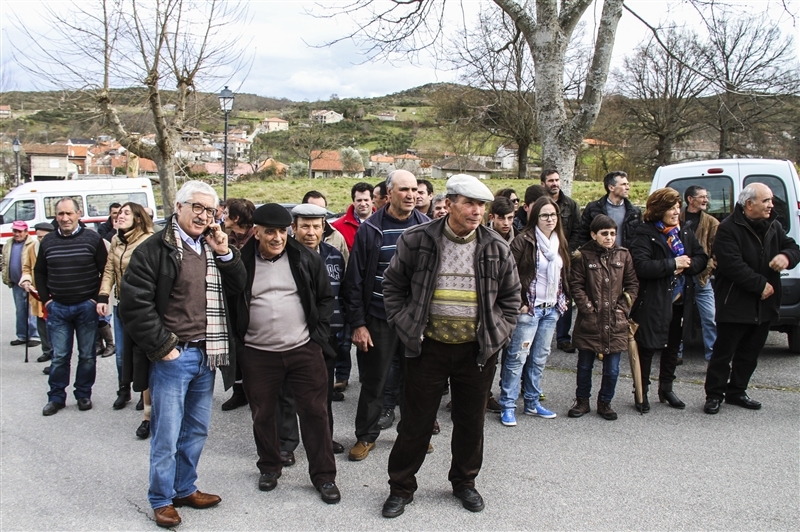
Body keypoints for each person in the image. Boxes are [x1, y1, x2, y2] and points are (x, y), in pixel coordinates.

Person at [380, 174, 520, 518]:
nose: (477, 212)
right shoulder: (417, 239)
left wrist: (496, 334)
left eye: (481, 206)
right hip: (427, 348)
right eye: (470, 204)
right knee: (416, 422)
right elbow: (393, 286)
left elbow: (511, 299)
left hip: (475, 351)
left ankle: (464, 483)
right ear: (450, 204)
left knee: (470, 423)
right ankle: (401, 487)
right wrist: (407, 325)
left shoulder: (495, 246)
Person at [119, 181, 246, 528]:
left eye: (210, 210)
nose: (203, 216)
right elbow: (133, 304)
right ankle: (161, 499)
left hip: (208, 354)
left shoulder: (212, 245)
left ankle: (184, 488)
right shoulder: (154, 249)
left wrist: (225, 253)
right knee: (167, 433)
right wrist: (165, 349)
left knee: (196, 430)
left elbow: (238, 288)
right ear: (178, 207)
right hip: (174, 357)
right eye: (197, 208)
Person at [229, 203, 340, 504]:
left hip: (303, 350)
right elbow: (230, 305)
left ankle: (324, 477)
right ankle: (269, 466)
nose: (277, 237)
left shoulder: (305, 257)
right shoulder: (241, 262)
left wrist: (316, 340)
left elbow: (324, 299)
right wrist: (241, 346)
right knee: (263, 414)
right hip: (257, 353)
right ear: (256, 232)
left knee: (315, 414)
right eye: (270, 232)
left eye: (282, 231)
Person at [341, 169, 428, 462]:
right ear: (389, 194)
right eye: (404, 190)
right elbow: (354, 281)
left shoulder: (427, 227)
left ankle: (413, 436)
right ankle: (365, 436)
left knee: (415, 381)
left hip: (415, 321)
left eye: (415, 190)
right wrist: (358, 324)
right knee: (374, 381)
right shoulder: (371, 230)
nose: (411, 195)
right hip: (379, 318)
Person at [704, 183, 800, 414]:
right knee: (723, 353)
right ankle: (714, 395)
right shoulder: (728, 228)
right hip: (735, 302)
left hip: (764, 305)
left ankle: (737, 391)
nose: (771, 205)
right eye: (766, 200)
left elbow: (793, 248)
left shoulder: (773, 225)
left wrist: (786, 257)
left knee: (750, 353)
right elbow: (731, 264)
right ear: (749, 204)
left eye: (771, 200)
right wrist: (760, 285)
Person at [276, 203, 347, 467]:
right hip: (291, 336)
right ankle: (286, 444)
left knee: (323, 393)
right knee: (287, 394)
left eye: (316, 226)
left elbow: (343, 292)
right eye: (304, 226)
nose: (311, 231)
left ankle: (324, 438)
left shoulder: (333, 254)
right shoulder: (282, 256)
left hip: (326, 336)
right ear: (293, 228)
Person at [629, 188, 707, 413]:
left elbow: (701, 257)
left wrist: (686, 264)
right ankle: (641, 392)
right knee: (647, 347)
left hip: (681, 299)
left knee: (674, 346)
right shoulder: (644, 233)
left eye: (677, 207)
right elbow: (641, 266)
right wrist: (672, 264)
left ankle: (667, 388)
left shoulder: (683, 231)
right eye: (671, 208)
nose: (676, 212)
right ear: (658, 210)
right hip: (654, 301)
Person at [499, 197, 570, 426]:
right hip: (529, 309)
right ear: (535, 217)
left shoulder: (559, 242)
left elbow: (564, 273)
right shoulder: (523, 241)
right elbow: (509, 274)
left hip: (551, 310)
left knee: (539, 358)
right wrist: (519, 301)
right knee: (517, 358)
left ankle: (531, 402)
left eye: (553, 215)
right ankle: (507, 405)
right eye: (544, 215)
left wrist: (563, 299)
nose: (550, 220)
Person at [35, 198, 108, 416]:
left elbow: (105, 270)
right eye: (60, 214)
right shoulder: (47, 241)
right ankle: (56, 397)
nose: (65, 218)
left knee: (87, 355)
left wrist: (96, 299)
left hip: (86, 307)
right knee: (59, 356)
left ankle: (83, 394)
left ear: (78, 214)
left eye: (69, 213)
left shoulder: (92, 239)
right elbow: (40, 272)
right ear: (55, 217)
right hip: (58, 308)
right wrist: (46, 299)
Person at [567, 215, 638, 420]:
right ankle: (582, 401)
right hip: (590, 320)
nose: (609, 238)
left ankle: (605, 402)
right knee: (584, 365)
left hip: (615, 321)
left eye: (612, 234)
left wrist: (622, 308)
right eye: (604, 234)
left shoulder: (623, 255)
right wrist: (587, 308)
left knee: (612, 368)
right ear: (593, 234)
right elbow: (576, 285)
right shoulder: (583, 256)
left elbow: (633, 284)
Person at [97, 202, 154, 438]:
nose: (119, 216)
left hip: (143, 309)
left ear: (138, 219)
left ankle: (148, 411)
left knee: (145, 358)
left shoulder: (150, 241)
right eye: (119, 213)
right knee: (122, 354)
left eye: (126, 213)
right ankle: (125, 389)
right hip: (122, 307)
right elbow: (109, 269)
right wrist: (103, 296)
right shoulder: (116, 241)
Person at [219, 197, 256, 412]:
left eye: (226, 214)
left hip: (252, 301)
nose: (223, 217)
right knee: (235, 347)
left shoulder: (258, 239)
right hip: (231, 300)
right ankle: (239, 391)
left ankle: (256, 390)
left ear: (236, 217)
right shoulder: (226, 238)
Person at [541, 169, 581, 353]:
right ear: (543, 183)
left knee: (565, 294)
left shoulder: (571, 205)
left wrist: (567, 252)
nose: (555, 183)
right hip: (542, 254)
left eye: (557, 180)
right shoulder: (541, 205)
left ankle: (563, 337)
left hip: (564, 256)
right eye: (551, 180)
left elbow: (577, 231)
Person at [678, 186, 719, 363]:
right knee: (677, 316)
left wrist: (707, 268)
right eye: (702, 197)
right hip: (679, 276)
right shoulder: (677, 218)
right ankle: (675, 353)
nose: (706, 200)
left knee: (710, 318)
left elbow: (717, 252)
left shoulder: (712, 223)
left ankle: (713, 357)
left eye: (706, 197)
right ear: (690, 199)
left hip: (702, 278)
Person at [574, 171, 642, 249]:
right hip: (597, 258)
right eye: (623, 184)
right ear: (611, 187)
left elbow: (639, 239)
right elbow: (582, 235)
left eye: (627, 184)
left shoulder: (634, 212)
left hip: (625, 258)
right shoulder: (593, 208)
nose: (628, 187)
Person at [19, 222, 55, 367]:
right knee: (41, 322)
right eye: (39, 237)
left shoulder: (56, 246)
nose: (41, 240)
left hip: (54, 292)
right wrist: (26, 280)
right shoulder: (31, 248)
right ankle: (47, 350)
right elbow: (26, 267)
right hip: (38, 291)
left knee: (55, 325)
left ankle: (56, 356)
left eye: (44, 237)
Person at [3, 220, 40, 347]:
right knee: (20, 310)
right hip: (15, 283)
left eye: (19, 231)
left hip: (30, 283)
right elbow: (5, 260)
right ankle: (22, 335)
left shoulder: (32, 244)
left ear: (26, 232)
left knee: (32, 310)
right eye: (15, 231)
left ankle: (35, 336)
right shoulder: (8, 243)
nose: (16, 234)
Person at [303, 191, 349, 266]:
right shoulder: (293, 235)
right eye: (315, 209)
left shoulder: (336, 236)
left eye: (322, 209)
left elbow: (346, 266)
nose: (319, 213)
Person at [331, 182, 375, 251]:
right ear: (353, 202)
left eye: (366, 200)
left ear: (372, 200)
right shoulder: (337, 227)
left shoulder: (384, 223)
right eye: (359, 200)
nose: (363, 204)